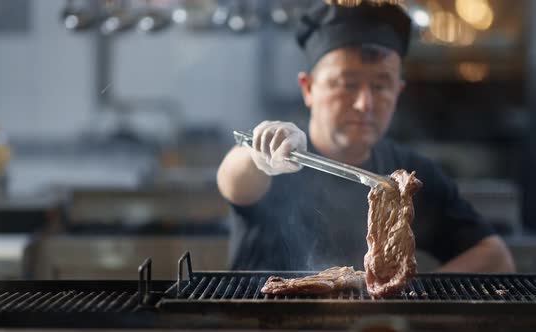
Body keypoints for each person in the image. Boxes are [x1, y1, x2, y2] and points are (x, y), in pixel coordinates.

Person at [217, 0, 515, 272]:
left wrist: (412, 296)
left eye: (381, 86)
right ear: (308, 88)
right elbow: (234, 179)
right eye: (346, 84)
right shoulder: (286, 151)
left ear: (398, 92)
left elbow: (495, 257)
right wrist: (261, 154)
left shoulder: (406, 179)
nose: (364, 104)